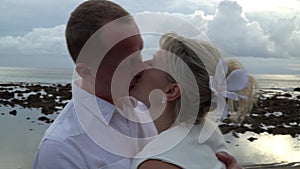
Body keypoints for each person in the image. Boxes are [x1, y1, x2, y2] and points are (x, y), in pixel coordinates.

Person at [33, 0, 244, 168]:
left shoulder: (151, 106)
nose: (141, 66)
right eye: (127, 61)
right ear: (87, 72)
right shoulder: (63, 148)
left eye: (139, 53)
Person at [129, 33, 257, 169]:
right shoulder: (207, 130)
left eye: (152, 63)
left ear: (171, 91)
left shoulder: (157, 163)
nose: (142, 65)